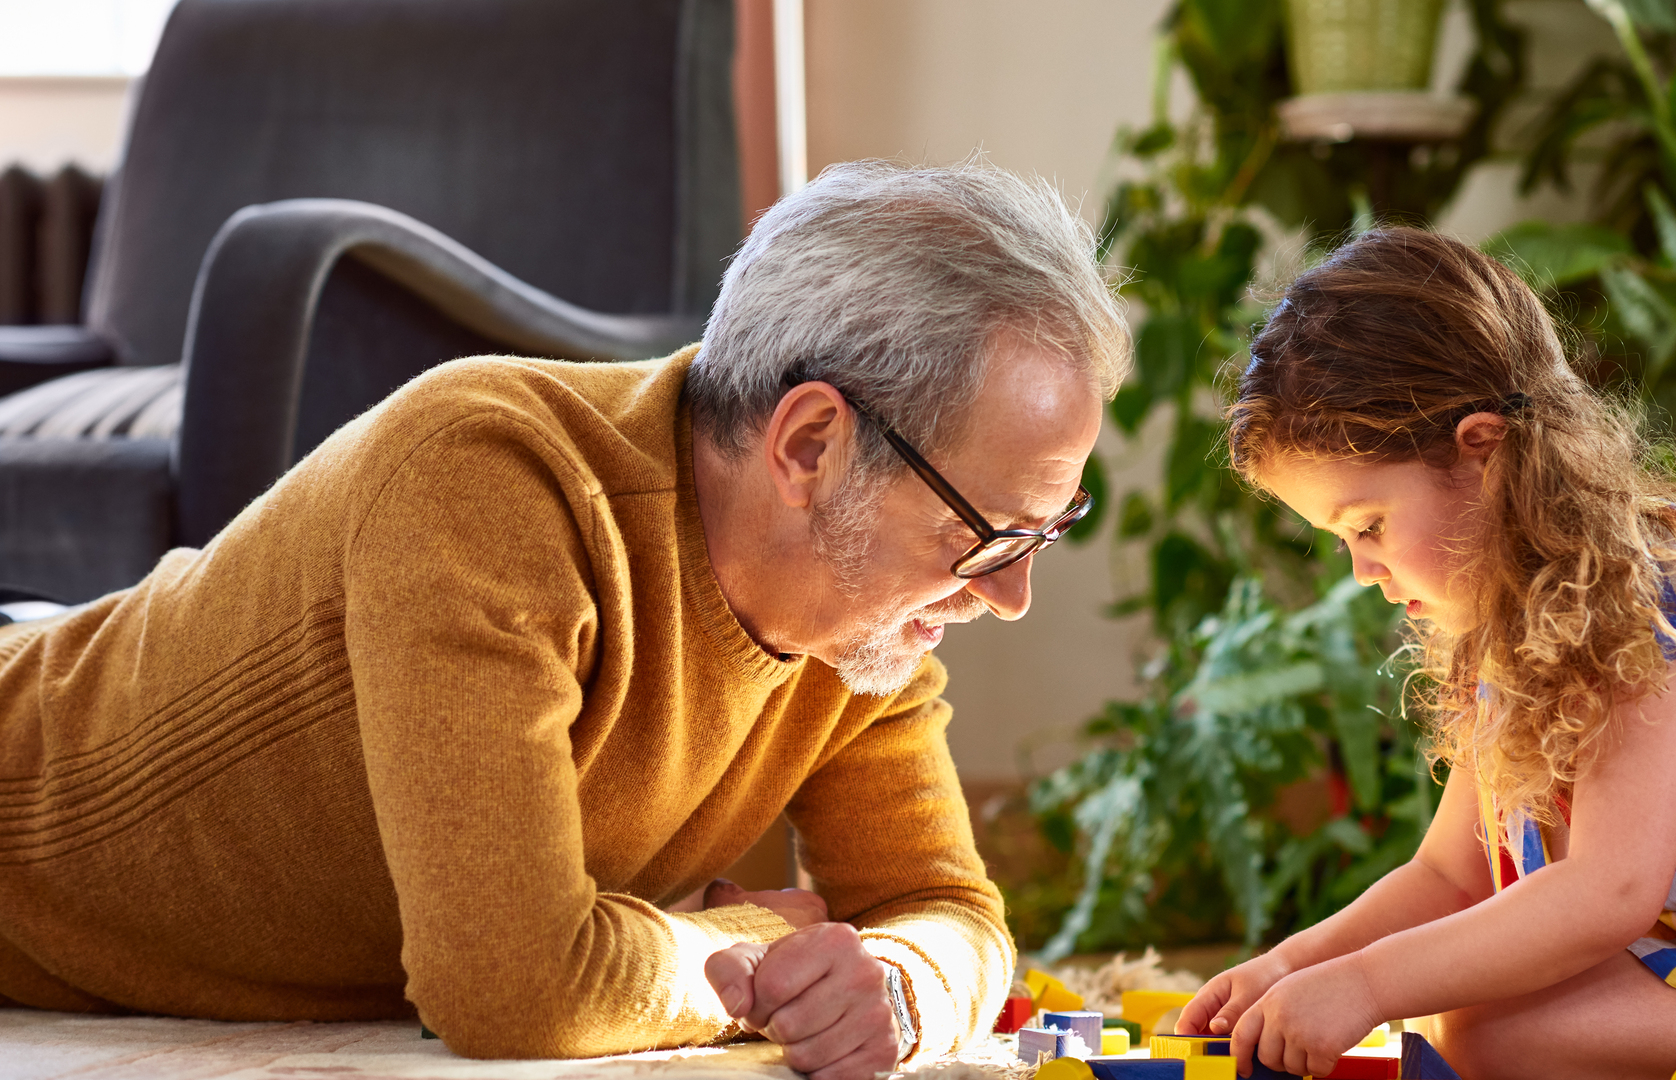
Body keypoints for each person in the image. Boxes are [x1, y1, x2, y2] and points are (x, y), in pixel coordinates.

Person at [0, 161, 1129, 1077]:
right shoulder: (489, 481)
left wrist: (900, 982)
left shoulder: (860, 631)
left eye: (1043, 533)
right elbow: (512, 986)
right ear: (809, 447)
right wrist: (760, 943)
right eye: (988, 535)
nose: (1009, 594)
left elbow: (944, 908)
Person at [1182, 227, 1676, 1080]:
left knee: (1499, 1010)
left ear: (1484, 453)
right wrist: (1290, 968)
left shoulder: (1639, 585)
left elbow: (1606, 894)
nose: (1362, 570)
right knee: (1490, 1030)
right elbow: (1451, 875)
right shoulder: (1508, 618)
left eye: (1370, 526)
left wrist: (1366, 986)